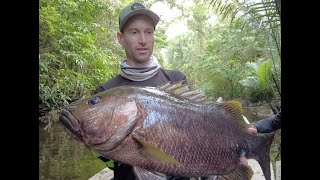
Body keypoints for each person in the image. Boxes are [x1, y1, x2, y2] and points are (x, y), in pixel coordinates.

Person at [93, 2, 189, 180]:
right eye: (134, 32)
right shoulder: (105, 91)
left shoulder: (177, 80)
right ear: (121, 38)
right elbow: (100, 155)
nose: (143, 40)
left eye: (149, 32)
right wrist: (126, 153)